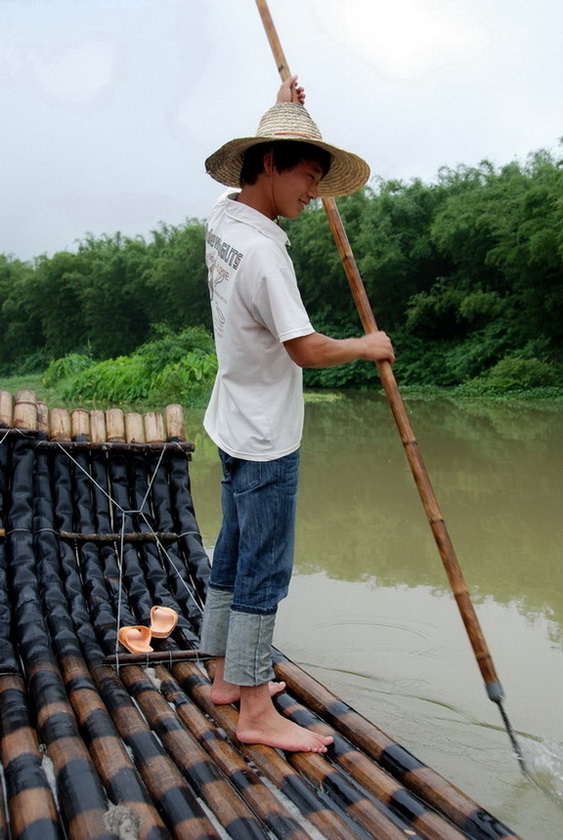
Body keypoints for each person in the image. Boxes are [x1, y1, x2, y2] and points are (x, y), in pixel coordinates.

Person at [199, 76, 395, 753]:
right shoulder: (261, 254)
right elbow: (306, 349)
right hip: (263, 436)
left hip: (229, 420)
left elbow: (260, 188)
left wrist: (286, 109)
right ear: (269, 165)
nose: (314, 192)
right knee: (263, 568)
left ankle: (224, 674)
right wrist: (366, 346)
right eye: (307, 176)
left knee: (231, 551)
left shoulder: (224, 219)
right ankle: (255, 710)